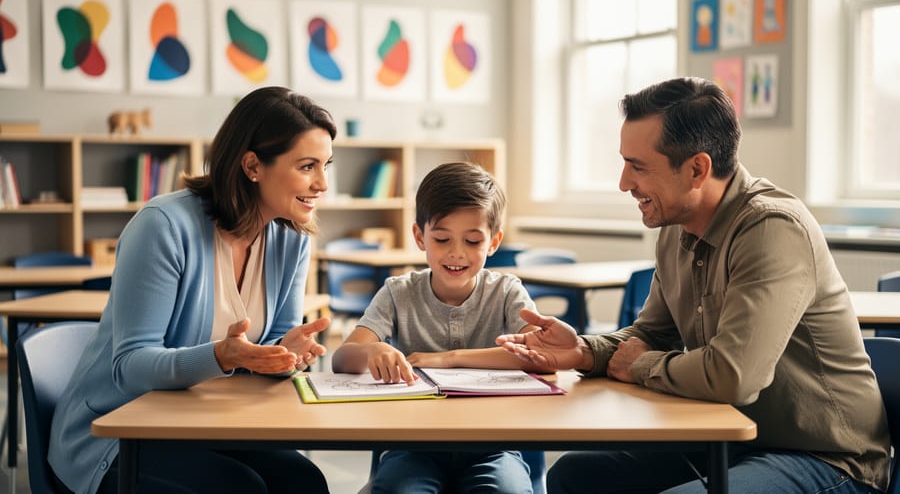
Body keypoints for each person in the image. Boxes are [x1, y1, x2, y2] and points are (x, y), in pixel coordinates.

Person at [496, 77, 891, 493]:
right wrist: (582, 351)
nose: (624, 183)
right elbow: (649, 334)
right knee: (574, 475)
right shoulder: (676, 227)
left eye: (639, 166)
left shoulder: (773, 229)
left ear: (697, 169)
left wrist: (642, 365)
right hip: (730, 437)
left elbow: (733, 376)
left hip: (826, 458)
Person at [49, 86, 336, 494]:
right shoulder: (163, 226)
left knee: (304, 481)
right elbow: (129, 367)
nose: (323, 183)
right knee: (240, 489)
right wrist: (220, 356)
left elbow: (268, 350)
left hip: (209, 420)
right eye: (307, 166)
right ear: (253, 165)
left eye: (326, 165)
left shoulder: (292, 239)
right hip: (118, 432)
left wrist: (285, 354)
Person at [331, 161, 554, 494]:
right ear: (420, 236)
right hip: (413, 444)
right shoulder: (397, 292)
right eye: (442, 238)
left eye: (473, 241)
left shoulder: (507, 292)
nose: (456, 253)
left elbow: (537, 354)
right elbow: (341, 359)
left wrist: (448, 358)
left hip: (493, 445)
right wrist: (372, 349)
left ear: (493, 242)